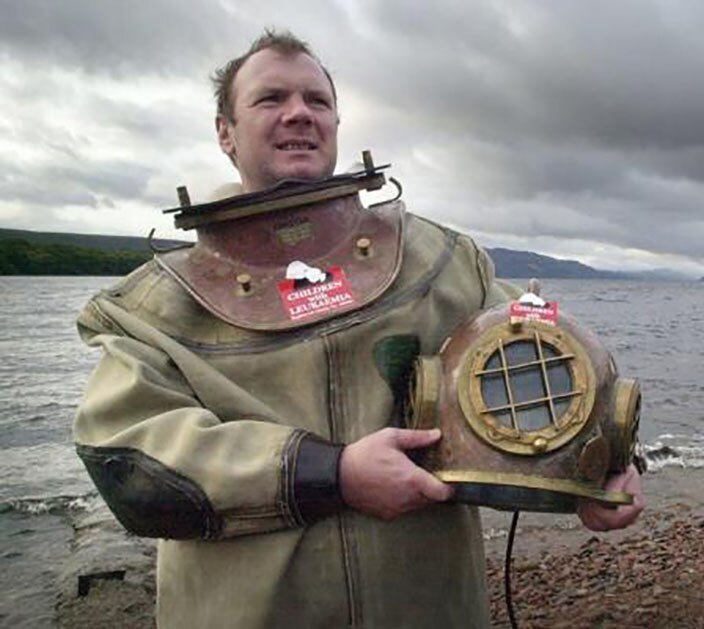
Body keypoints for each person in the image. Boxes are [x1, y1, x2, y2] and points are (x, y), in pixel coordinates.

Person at [74, 30, 643, 627]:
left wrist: (603, 465)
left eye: (316, 101)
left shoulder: (439, 261)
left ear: (337, 122)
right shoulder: (158, 308)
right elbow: (129, 459)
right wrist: (334, 474)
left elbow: (551, 360)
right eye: (270, 99)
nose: (299, 113)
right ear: (225, 132)